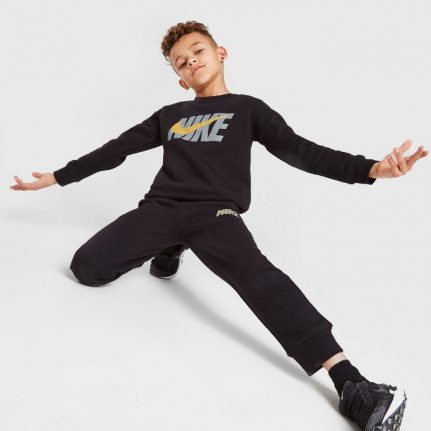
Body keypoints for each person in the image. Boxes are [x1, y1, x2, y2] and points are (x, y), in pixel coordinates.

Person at [10, 20, 428, 431]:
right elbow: (116, 149)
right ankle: (171, 246)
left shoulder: (248, 109)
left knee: (259, 278)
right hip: (161, 209)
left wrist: (372, 169)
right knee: (86, 267)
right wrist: (59, 177)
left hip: (215, 215)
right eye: (181, 62)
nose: (191, 61)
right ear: (180, 80)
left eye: (198, 51)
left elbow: (302, 152)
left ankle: (351, 384)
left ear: (220, 53)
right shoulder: (170, 115)